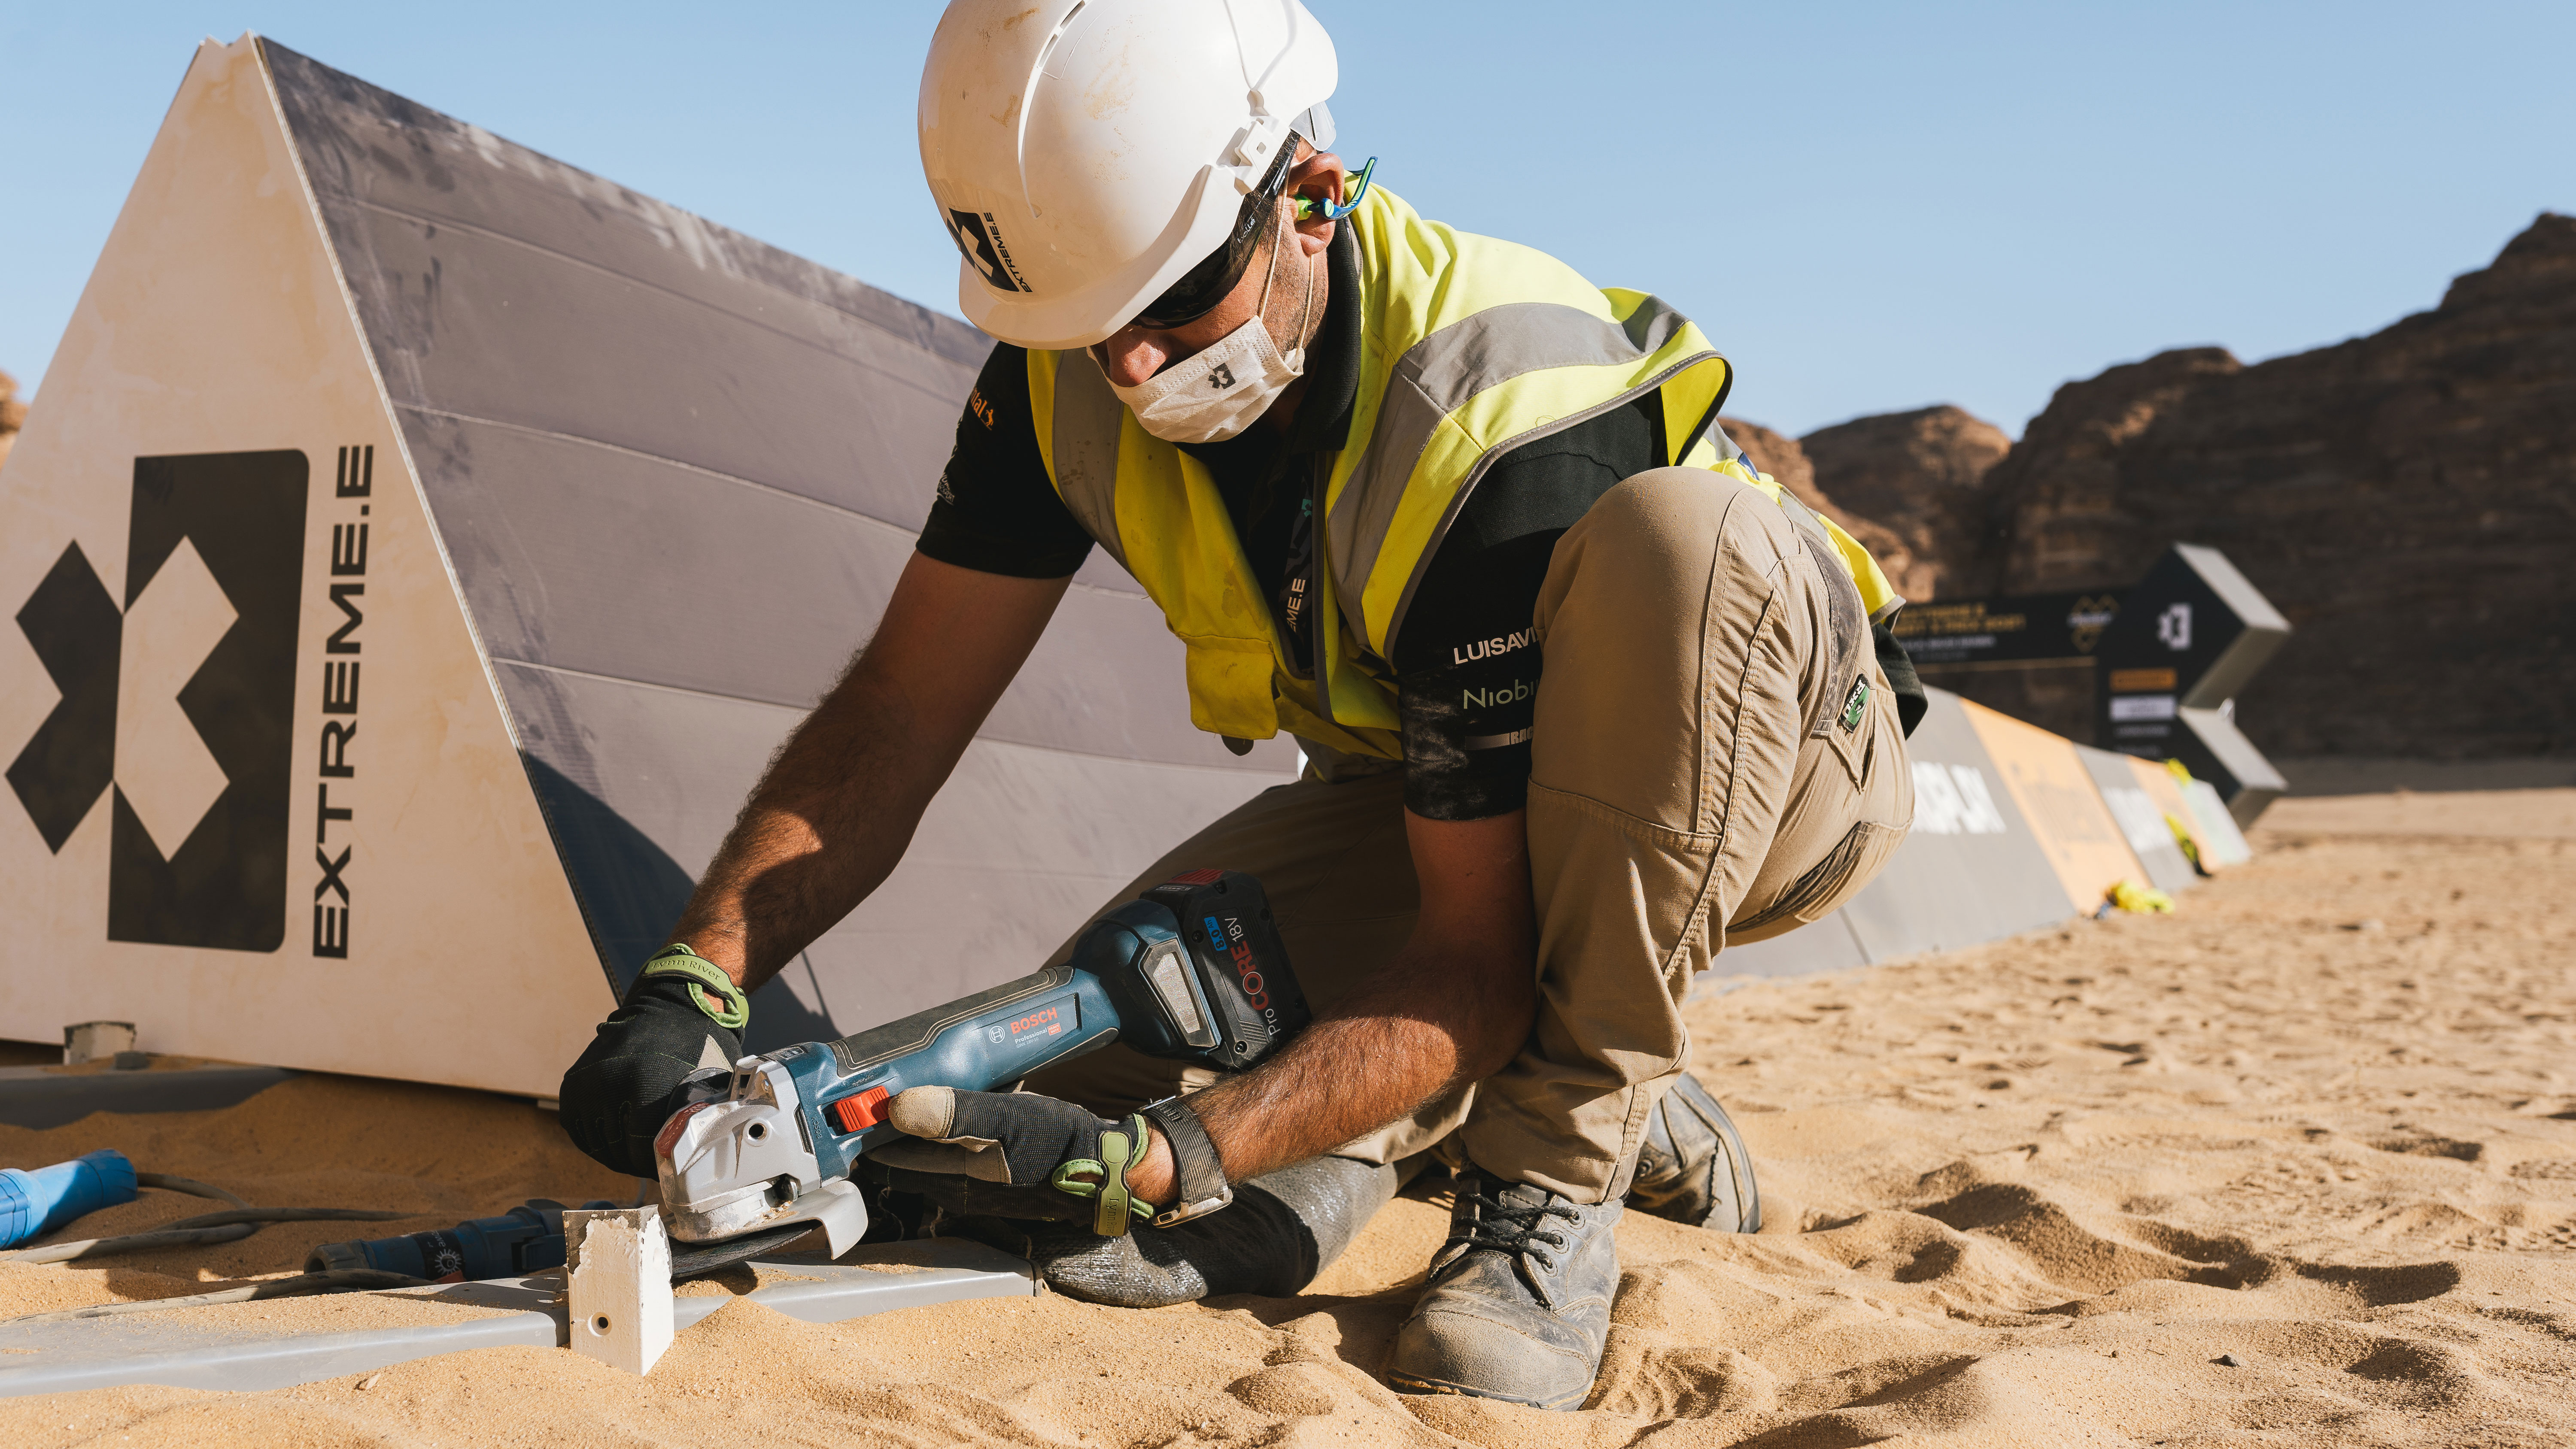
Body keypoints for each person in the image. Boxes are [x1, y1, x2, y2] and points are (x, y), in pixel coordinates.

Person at [561, 0, 1919, 1411]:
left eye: (1170, 301)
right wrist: (695, 979)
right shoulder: (1065, 367)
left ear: (1313, 196)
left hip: (1772, 770)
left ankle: (1561, 1158)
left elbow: (1470, 959)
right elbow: (900, 711)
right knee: (1125, 1023)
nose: (1132, 367)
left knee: (1678, 550)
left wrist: (1172, 1159)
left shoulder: (1498, 410)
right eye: (1093, 325)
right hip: (1435, 787)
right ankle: (1508, 1084)